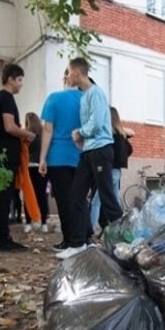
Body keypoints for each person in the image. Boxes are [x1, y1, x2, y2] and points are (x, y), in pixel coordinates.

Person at [64, 57, 123, 259]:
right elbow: (92, 126)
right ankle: (78, 243)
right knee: (76, 195)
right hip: (89, 151)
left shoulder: (96, 93)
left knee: (107, 197)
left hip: (101, 150)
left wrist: (80, 132)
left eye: (68, 72)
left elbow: (96, 124)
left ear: (78, 73)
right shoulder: (84, 96)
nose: (67, 76)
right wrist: (81, 138)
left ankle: (125, 243)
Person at [0, 63, 35, 251]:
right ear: (10, 79)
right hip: (7, 153)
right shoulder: (6, 98)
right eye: (19, 80)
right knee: (5, 196)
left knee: (3, 196)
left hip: (1, 152)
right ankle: (3, 238)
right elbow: (9, 127)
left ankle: (2, 235)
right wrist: (27, 134)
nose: (21, 84)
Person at [38, 69, 82, 252]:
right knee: (79, 200)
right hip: (80, 156)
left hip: (58, 157)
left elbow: (47, 129)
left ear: (65, 78)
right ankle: (81, 239)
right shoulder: (86, 99)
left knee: (63, 201)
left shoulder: (54, 98)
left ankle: (69, 240)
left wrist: (42, 158)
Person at [89, 107, 134, 231]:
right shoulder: (121, 135)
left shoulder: (108, 136)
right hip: (117, 171)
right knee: (115, 199)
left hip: (107, 170)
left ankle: (91, 229)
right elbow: (130, 150)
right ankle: (119, 227)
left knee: (96, 201)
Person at [24, 112, 49, 234]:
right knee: (42, 196)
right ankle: (44, 223)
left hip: (28, 167)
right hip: (41, 167)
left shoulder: (27, 136)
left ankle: (28, 223)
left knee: (28, 196)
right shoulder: (43, 135)